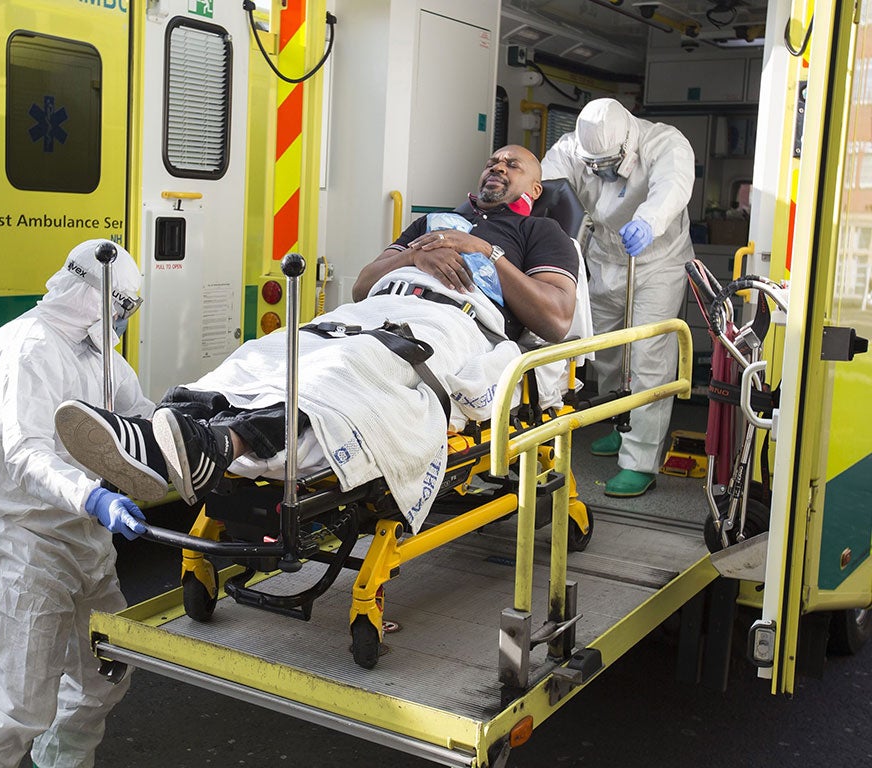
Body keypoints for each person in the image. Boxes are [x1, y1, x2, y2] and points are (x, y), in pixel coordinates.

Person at [56, 145, 579, 533]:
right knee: (264, 355)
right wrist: (414, 255)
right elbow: (362, 283)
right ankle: (158, 436)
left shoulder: (541, 234)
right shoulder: (433, 220)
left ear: (533, 191)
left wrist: (481, 250)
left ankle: (224, 443)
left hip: (452, 322)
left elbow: (555, 319)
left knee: (341, 375)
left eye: (514, 166)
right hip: (375, 307)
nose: (498, 167)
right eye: (493, 161)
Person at [0, 239, 155, 768]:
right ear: (92, 296)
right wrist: (94, 496)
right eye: (119, 308)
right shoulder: (28, 347)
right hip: (32, 547)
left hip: (88, 547)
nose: (123, 321)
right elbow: (25, 455)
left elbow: (141, 414)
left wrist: (196, 434)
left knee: (105, 675)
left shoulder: (98, 354)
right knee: (17, 711)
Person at [541, 97, 695, 498]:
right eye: (597, 167)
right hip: (604, 258)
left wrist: (647, 221)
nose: (603, 174)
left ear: (628, 142)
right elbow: (547, 188)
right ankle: (620, 421)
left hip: (656, 259)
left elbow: (672, 188)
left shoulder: (665, 142)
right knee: (606, 353)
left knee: (648, 359)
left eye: (610, 165)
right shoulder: (572, 148)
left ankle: (639, 460)